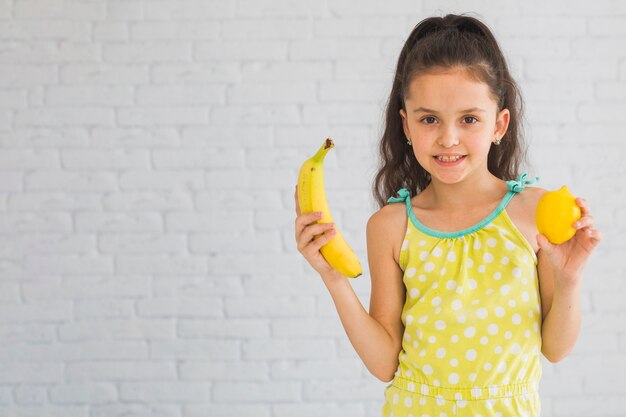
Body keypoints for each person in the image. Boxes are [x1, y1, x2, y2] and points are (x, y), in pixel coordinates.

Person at [294, 13, 602, 417]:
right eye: (429, 119)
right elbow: (384, 364)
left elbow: (556, 349)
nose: (448, 138)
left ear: (499, 123)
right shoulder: (390, 227)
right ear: (406, 125)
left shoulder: (535, 213)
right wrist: (332, 276)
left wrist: (569, 279)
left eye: (469, 119)